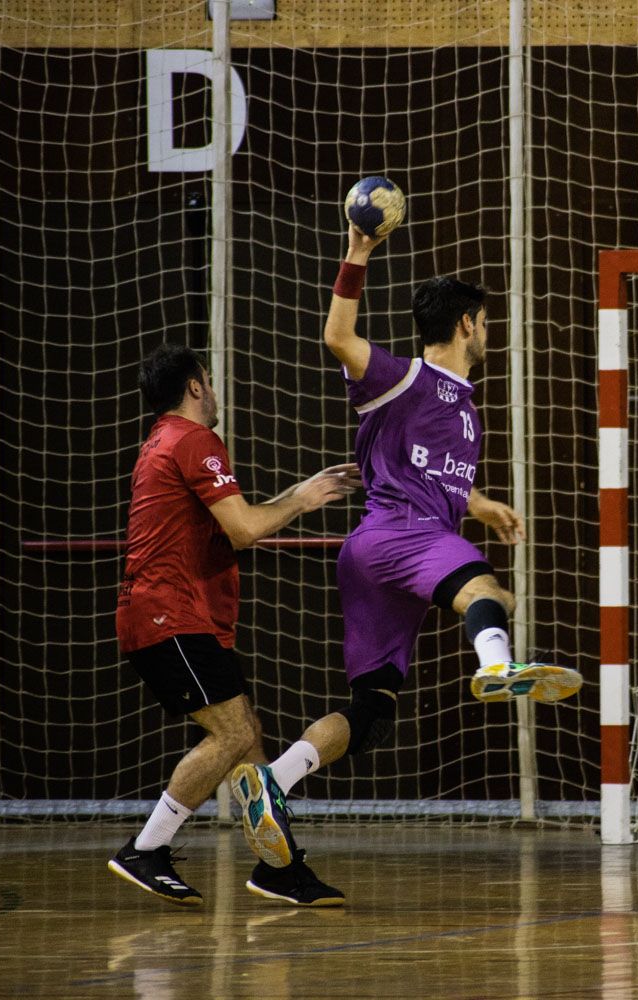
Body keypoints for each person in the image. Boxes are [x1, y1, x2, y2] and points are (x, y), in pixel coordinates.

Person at [227, 224, 583, 891]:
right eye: (484, 322)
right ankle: (500, 667)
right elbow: (336, 338)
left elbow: (433, 473)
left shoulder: (466, 410)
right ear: (468, 323)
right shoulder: (404, 376)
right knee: (490, 592)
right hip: (401, 534)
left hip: (377, 549)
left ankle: (272, 782)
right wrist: (358, 254)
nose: (488, 332)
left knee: (372, 711)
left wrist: (481, 505)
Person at [108, 344, 361, 906]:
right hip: (168, 614)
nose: (216, 390)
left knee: (248, 741)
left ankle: (281, 869)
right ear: (196, 387)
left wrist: (297, 494)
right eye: (211, 380)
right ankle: (146, 849)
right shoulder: (194, 440)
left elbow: (232, 523)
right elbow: (246, 530)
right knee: (233, 735)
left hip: (170, 615)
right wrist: (301, 498)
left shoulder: (162, 442)